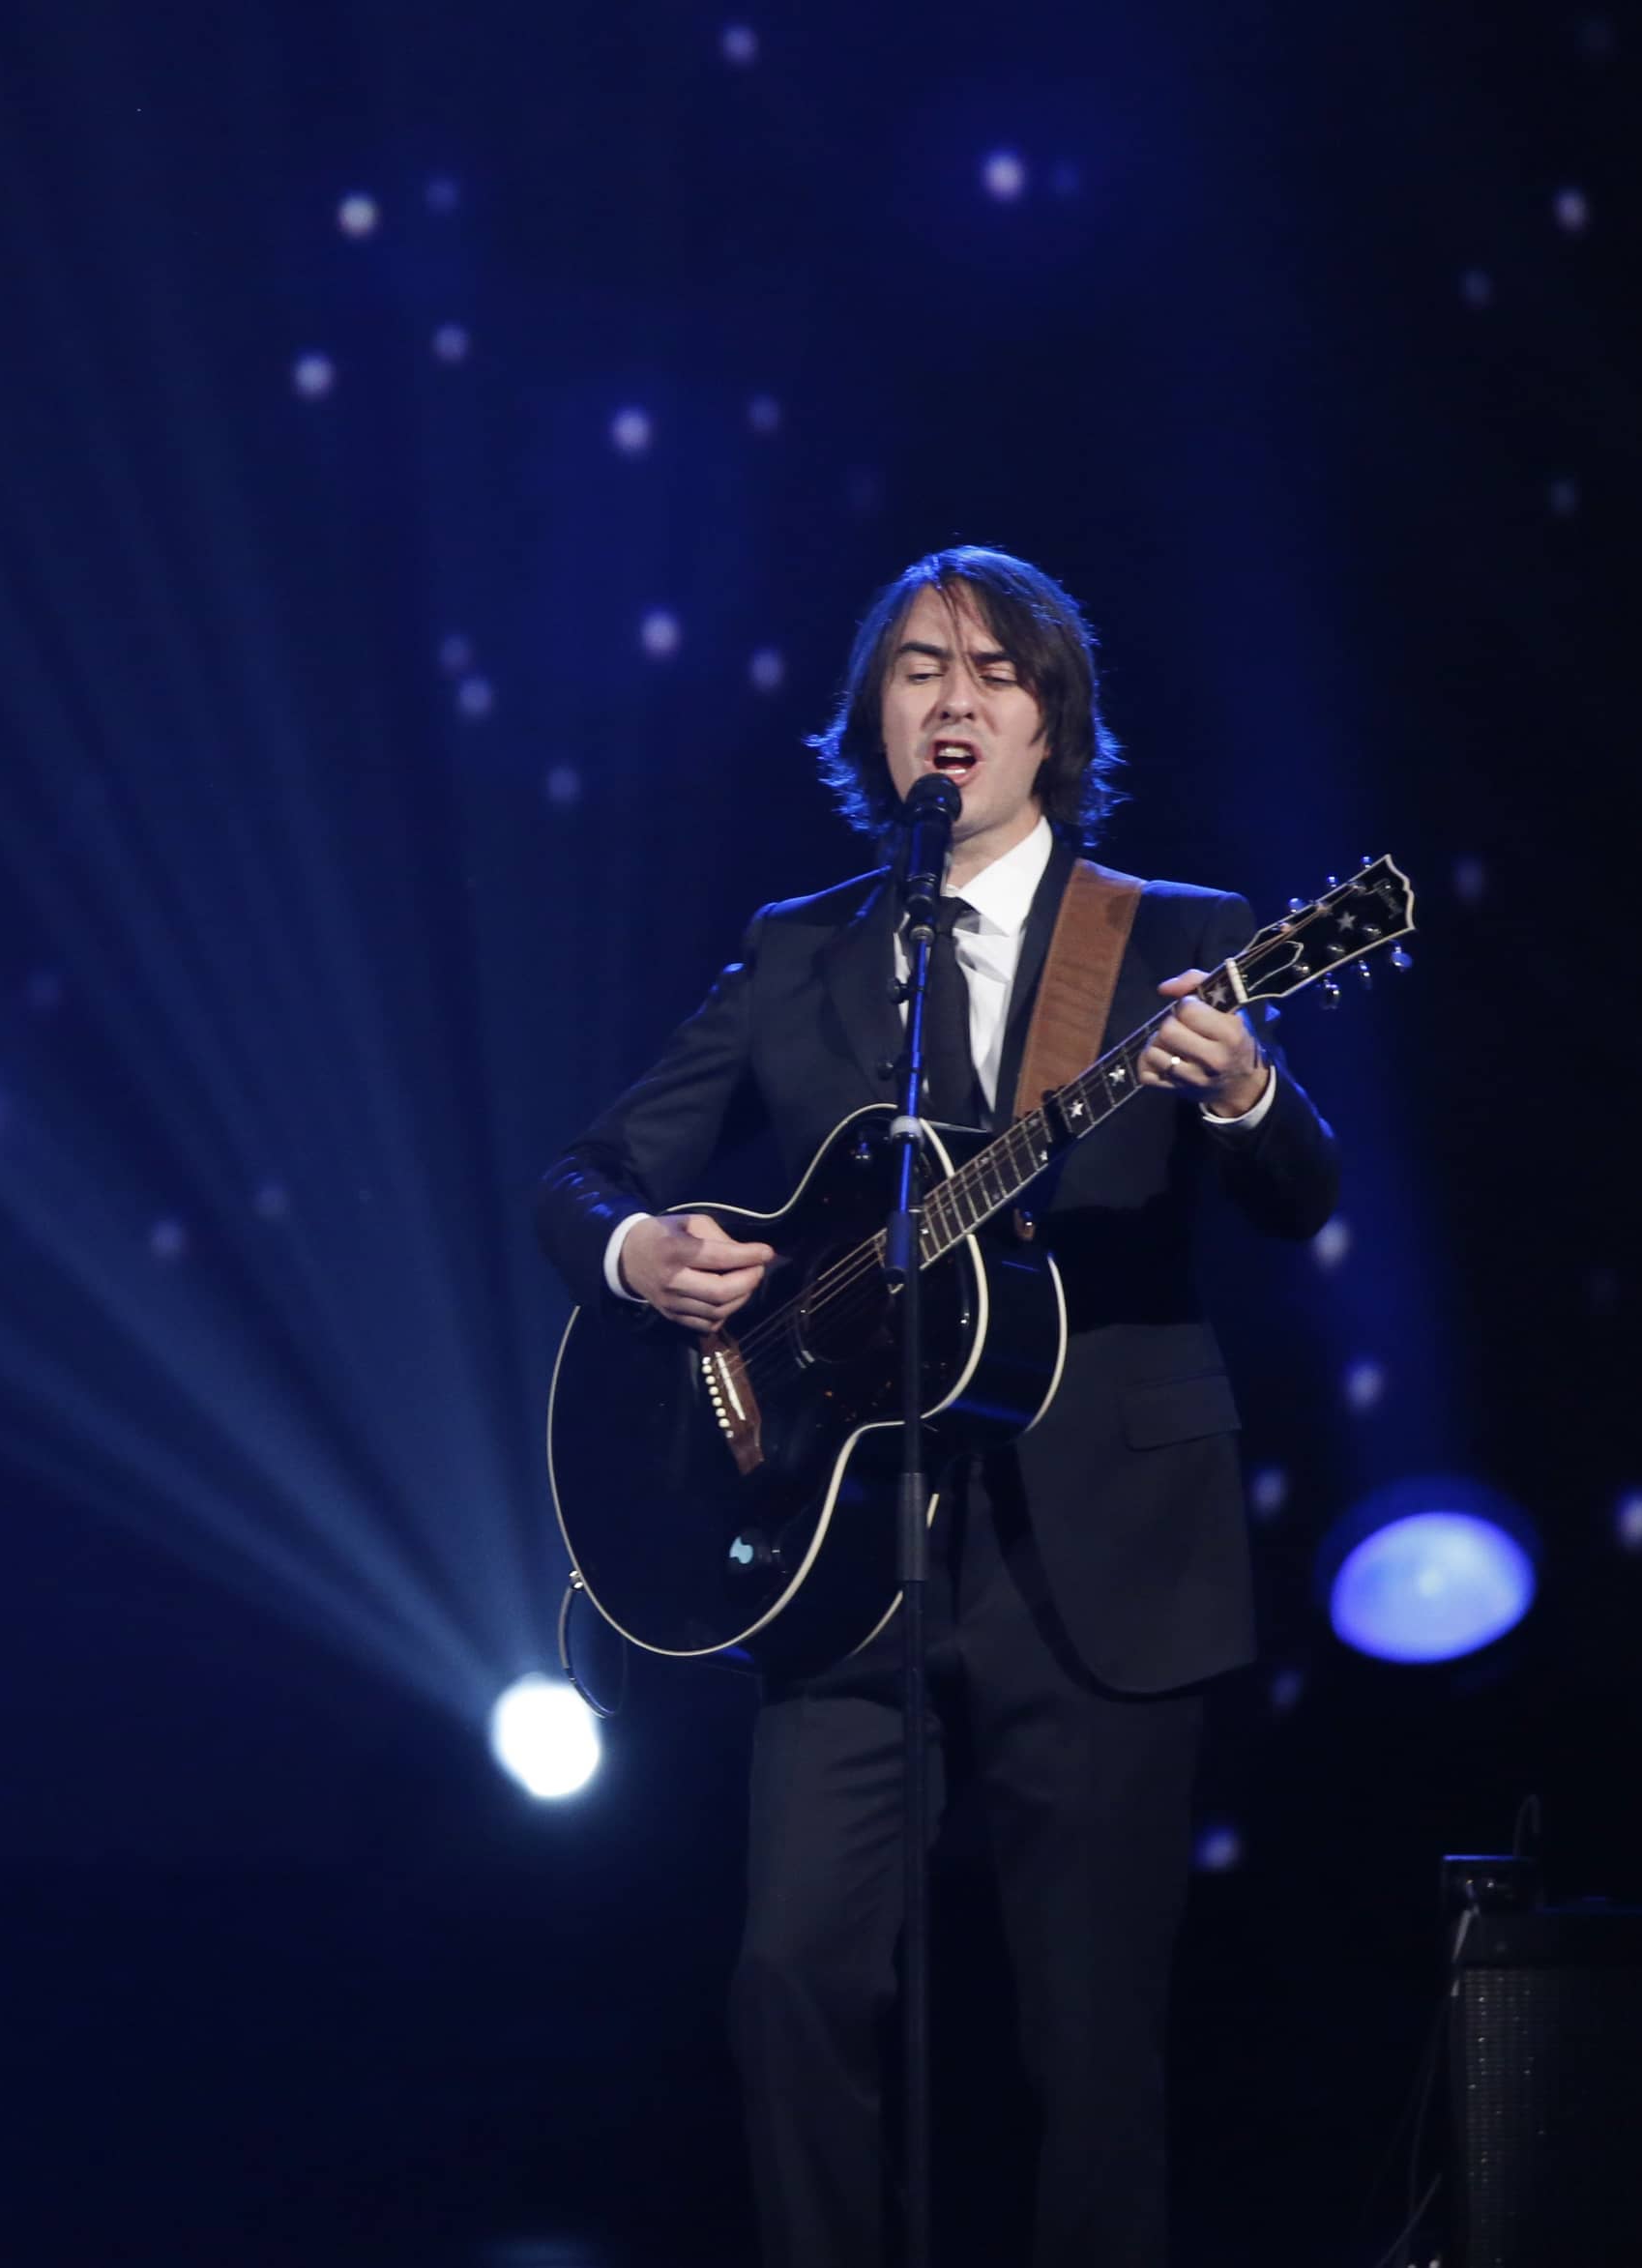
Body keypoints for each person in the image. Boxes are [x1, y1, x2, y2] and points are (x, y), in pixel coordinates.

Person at [531, 546, 1340, 2267]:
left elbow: (1301, 1195)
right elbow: (585, 1175)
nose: (955, 700)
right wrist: (638, 1255)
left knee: (1090, 2038)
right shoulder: (797, 950)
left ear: (1056, 719)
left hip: (1103, 1547)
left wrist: (1255, 1083)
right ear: (873, 718)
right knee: (790, 1977)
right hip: (844, 1549)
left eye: (996, 671)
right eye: (917, 670)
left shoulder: (1173, 939)